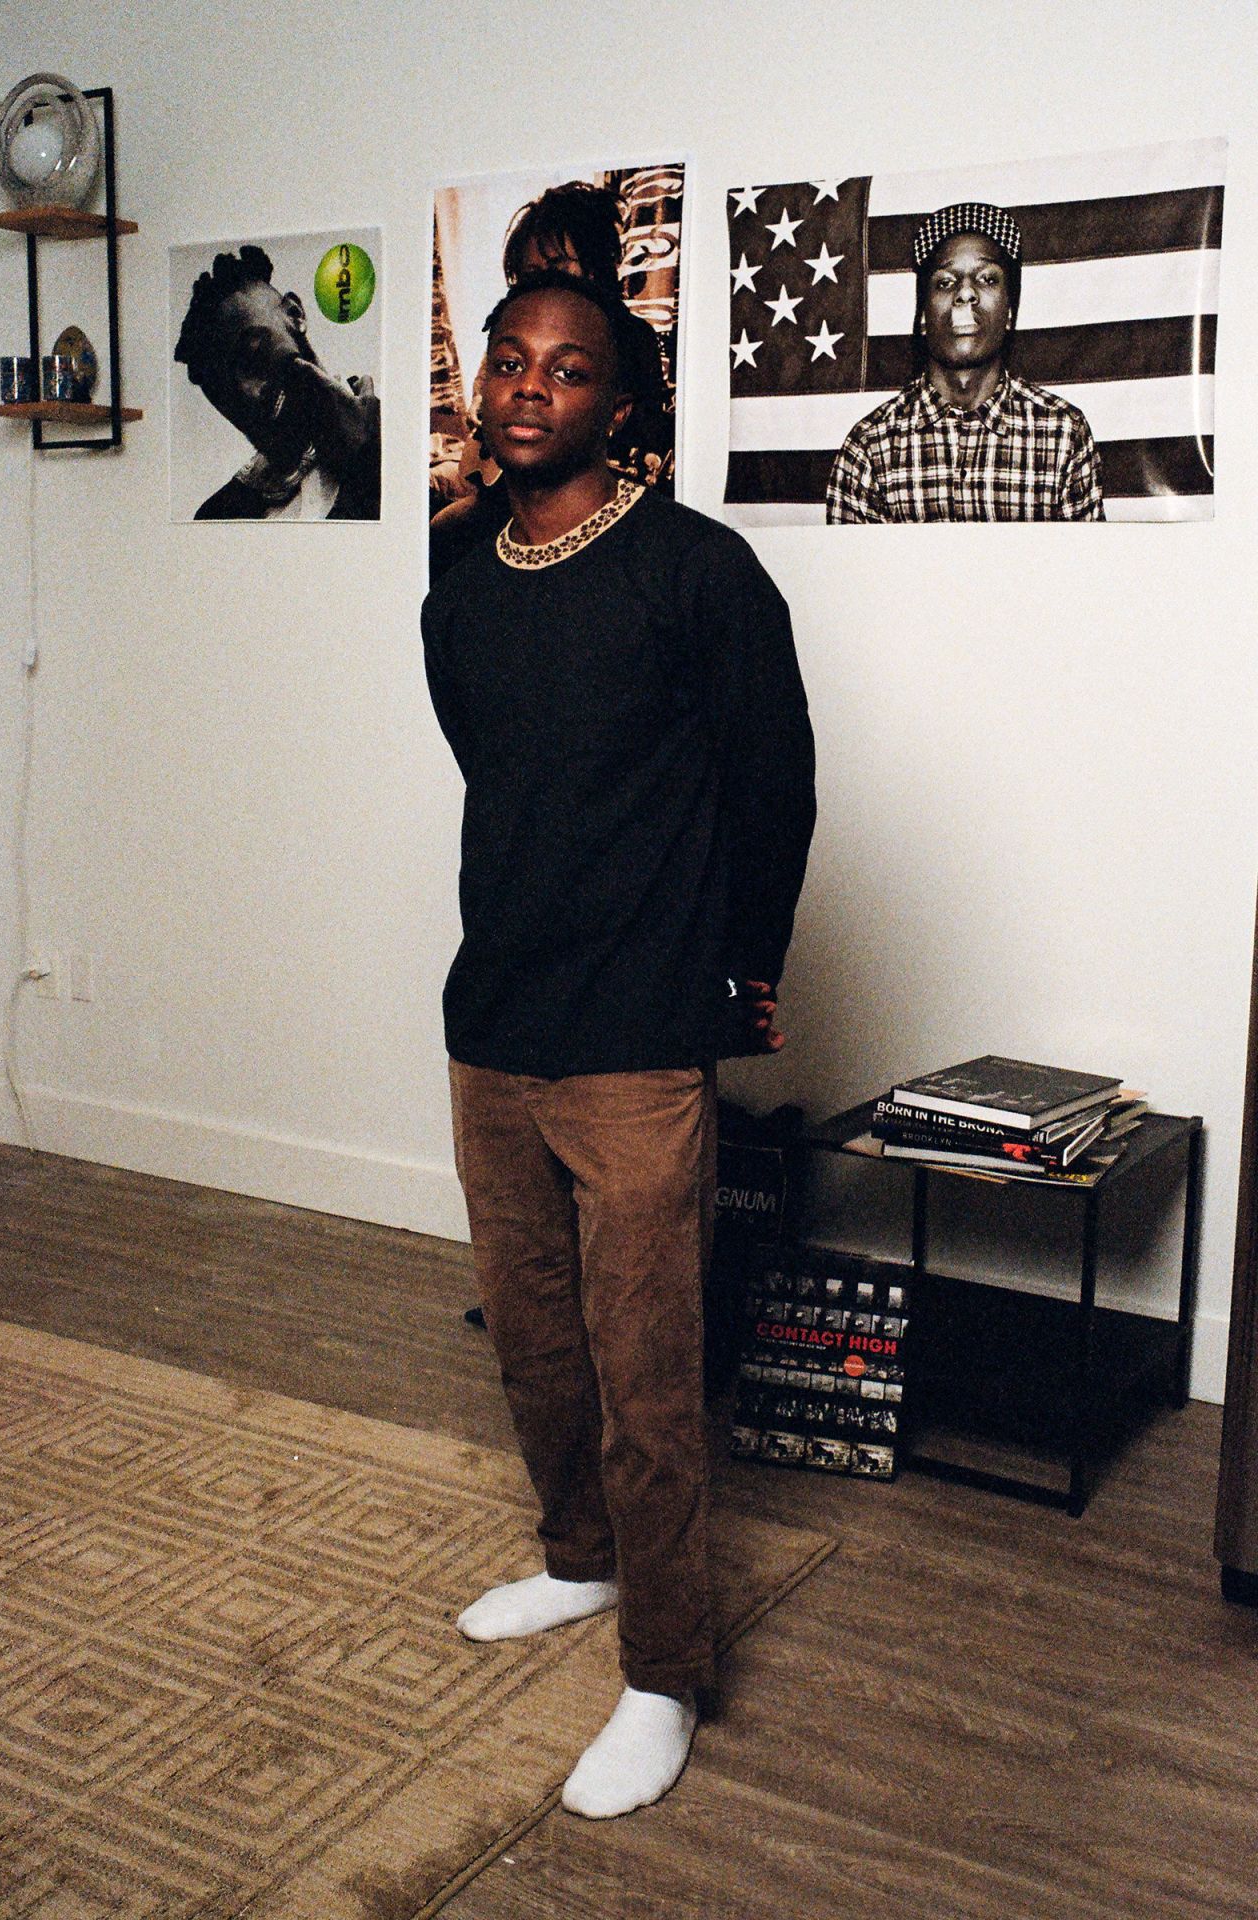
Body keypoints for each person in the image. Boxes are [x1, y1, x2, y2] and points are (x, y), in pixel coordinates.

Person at [421, 268, 816, 1818]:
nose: (529, 389)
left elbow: (773, 783)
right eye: (509, 362)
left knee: (650, 1373)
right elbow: (496, 766)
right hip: (494, 1022)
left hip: (639, 1039)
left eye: (567, 369)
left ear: (621, 402)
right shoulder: (459, 572)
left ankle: (666, 1673)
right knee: (532, 1341)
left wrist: (746, 970)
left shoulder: (698, 573)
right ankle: (577, 1562)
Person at [428, 181, 674, 579]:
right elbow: (479, 437)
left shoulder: (631, 338)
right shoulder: (506, 336)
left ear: (596, 265)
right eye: (529, 276)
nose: (544, 286)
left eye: (559, 270)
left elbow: (645, 446)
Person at [827, 201, 1104, 522]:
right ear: (922, 319)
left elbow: (1086, 570)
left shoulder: (1063, 435)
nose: (966, 292)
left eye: (987, 279)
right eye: (945, 282)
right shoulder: (870, 449)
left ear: (1010, 315)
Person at [174, 244, 380, 521]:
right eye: (225, 392)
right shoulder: (221, 513)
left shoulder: (396, 434)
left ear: (294, 314)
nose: (250, 392)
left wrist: (368, 452)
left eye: (253, 355)